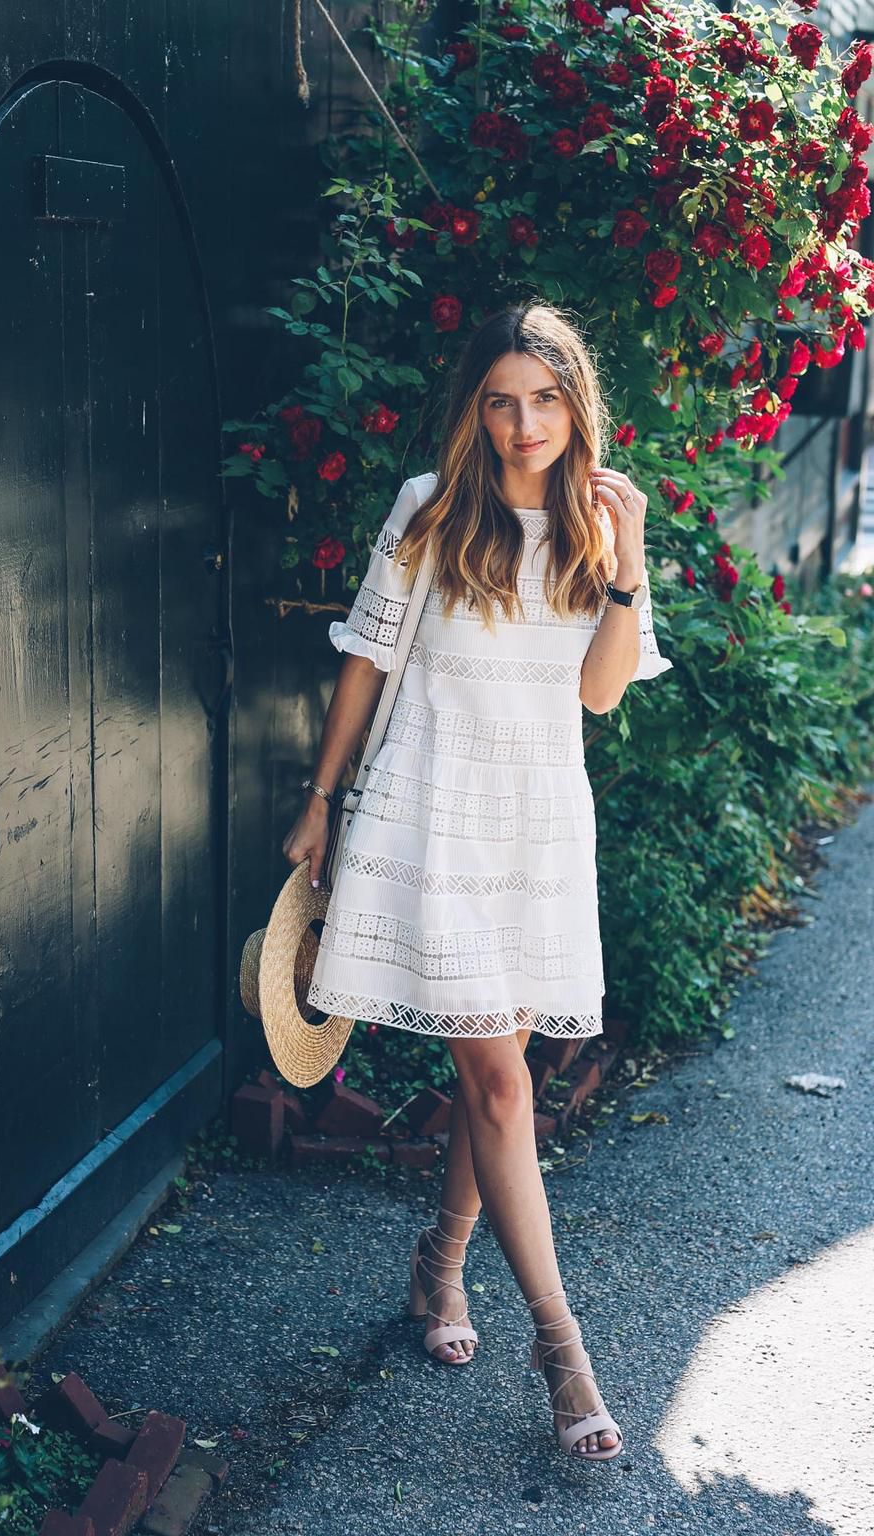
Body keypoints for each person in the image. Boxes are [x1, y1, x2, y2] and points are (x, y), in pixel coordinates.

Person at [281, 301, 672, 1462]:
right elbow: (367, 658)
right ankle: (563, 1355)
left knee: (495, 1059)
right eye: (501, 400)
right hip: (430, 816)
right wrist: (319, 801)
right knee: (501, 1084)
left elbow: (600, 695)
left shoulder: (603, 524)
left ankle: (438, 1268)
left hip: (536, 828)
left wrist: (631, 564)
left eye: (544, 400)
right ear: (475, 408)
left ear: (575, 405)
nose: (522, 424)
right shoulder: (432, 510)